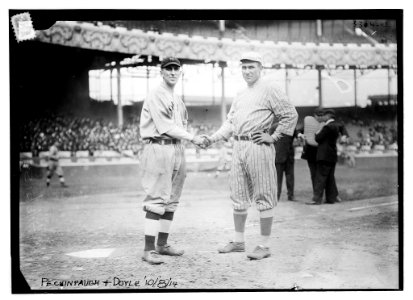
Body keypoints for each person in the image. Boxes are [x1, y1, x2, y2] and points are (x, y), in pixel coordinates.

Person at [203, 52, 298, 260]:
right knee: (238, 195)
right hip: (238, 145)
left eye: (251, 67)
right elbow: (230, 123)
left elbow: (290, 114)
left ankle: (264, 245)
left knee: (263, 194)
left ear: (260, 68)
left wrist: (273, 137)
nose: (247, 71)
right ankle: (238, 241)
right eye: (244, 67)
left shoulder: (270, 88)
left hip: (257, 145)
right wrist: (212, 139)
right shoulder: (240, 94)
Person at [139, 57, 205, 265]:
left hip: (177, 148)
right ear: (162, 72)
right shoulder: (157, 94)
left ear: (180, 72)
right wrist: (193, 138)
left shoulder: (176, 98)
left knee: (172, 200)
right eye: (169, 68)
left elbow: (181, 127)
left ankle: (162, 244)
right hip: (159, 147)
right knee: (156, 198)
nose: (173, 72)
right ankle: (148, 249)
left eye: (176, 68)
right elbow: (166, 128)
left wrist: (189, 140)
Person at [307, 109, 341, 205]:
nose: (323, 117)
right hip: (332, 155)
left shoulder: (327, 127)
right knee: (330, 178)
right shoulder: (336, 126)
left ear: (329, 116)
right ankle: (331, 199)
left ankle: (316, 199)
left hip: (324, 156)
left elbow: (318, 138)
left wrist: (316, 132)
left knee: (320, 178)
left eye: (325, 115)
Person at [300, 108, 325, 195]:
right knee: (313, 174)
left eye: (322, 115)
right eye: (319, 115)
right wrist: (300, 135)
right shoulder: (309, 124)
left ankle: (320, 193)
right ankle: (316, 193)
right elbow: (300, 130)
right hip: (310, 152)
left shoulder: (324, 124)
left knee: (320, 174)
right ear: (314, 115)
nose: (320, 117)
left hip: (321, 152)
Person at [273, 126, 297, 201]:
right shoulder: (274, 127)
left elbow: (297, 134)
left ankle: (290, 195)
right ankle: (277, 195)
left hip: (288, 157)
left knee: (290, 177)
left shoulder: (292, 127)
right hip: (278, 156)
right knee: (278, 178)